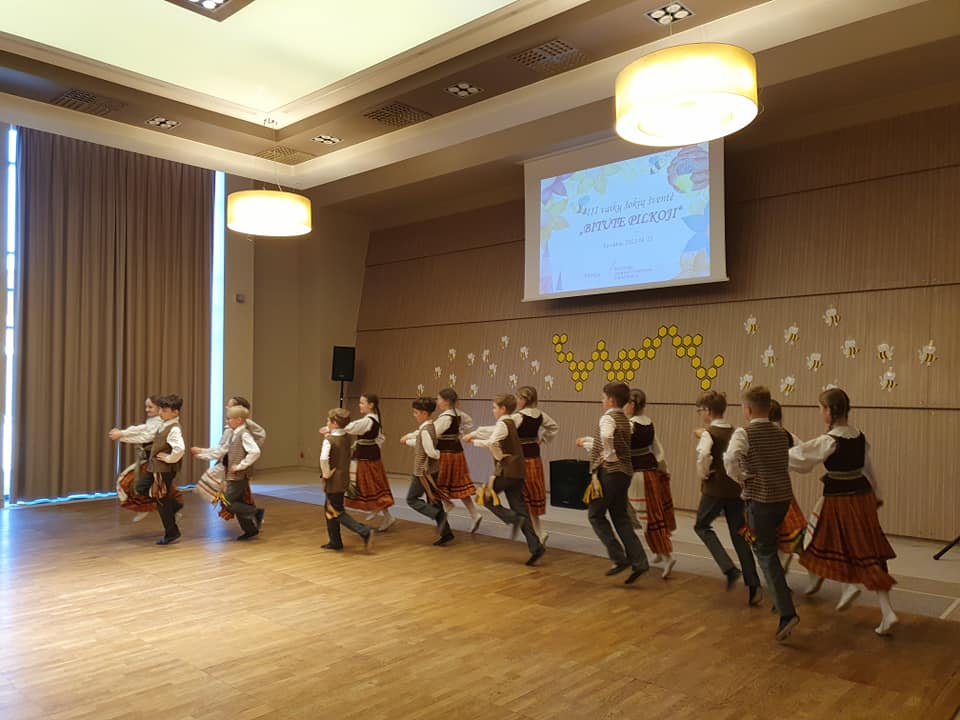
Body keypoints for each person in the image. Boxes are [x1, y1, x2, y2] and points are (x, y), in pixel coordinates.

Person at [789, 388, 898, 635]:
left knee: (825, 542)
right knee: (868, 551)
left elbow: (799, 457)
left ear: (829, 411)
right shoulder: (859, 437)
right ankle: (886, 609)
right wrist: (877, 495)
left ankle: (848, 586)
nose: (820, 413)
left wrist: (771, 455)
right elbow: (868, 469)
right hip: (862, 498)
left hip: (839, 501)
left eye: (821, 409)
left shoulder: (829, 441)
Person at [724, 386, 799, 642]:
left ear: (747, 409)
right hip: (783, 499)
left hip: (761, 499)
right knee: (770, 549)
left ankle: (787, 612)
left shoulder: (743, 433)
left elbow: (730, 459)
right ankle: (780, 596)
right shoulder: (781, 432)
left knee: (765, 552)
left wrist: (741, 477)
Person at [575, 382, 649, 585]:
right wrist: (593, 444)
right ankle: (640, 561)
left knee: (595, 514)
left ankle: (619, 557)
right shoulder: (625, 419)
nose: (601, 401)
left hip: (611, 472)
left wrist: (610, 456)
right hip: (625, 473)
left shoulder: (607, 418)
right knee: (620, 517)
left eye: (603, 397)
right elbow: (611, 441)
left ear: (611, 400)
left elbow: (607, 437)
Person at [692, 390, 762, 604]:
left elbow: (704, 455)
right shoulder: (736, 432)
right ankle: (753, 585)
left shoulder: (709, 434)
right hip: (735, 489)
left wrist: (703, 474)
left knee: (701, 525)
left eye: (701, 410)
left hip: (715, 489)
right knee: (739, 533)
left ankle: (729, 568)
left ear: (708, 411)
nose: (701, 414)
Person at [465, 394, 545, 566]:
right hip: (518, 471)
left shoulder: (504, 423)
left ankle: (512, 518)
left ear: (503, 409)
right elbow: (492, 431)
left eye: (494, 408)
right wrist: (475, 434)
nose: (493, 411)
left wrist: (479, 443)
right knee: (520, 508)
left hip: (507, 470)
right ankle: (536, 546)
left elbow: (493, 442)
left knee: (484, 496)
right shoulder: (509, 422)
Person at [321, 393, 396, 530]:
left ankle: (381, 514)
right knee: (372, 486)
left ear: (371, 405)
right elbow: (380, 438)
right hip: (369, 457)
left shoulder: (368, 421)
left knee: (369, 486)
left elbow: (349, 427)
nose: (359, 405)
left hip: (366, 459)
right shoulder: (373, 420)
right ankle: (382, 512)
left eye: (362, 403)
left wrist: (330, 428)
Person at [192, 405, 265, 539]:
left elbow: (255, 452)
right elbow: (221, 451)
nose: (226, 421)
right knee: (238, 501)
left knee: (227, 501)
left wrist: (241, 466)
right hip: (232, 475)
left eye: (229, 419)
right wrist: (201, 453)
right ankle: (250, 529)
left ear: (239, 420)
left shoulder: (244, 434)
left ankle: (255, 512)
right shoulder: (232, 433)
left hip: (239, 476)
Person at [625, 388, 676, 579]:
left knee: (646, 518)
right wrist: (663, 468)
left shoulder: (630, 425)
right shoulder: (648, 422)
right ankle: (658, 551)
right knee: (652, 513)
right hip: (651, 471)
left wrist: (589, 443)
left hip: (638, 475)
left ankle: (666, 555)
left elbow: (617, 448)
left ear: (632, 405)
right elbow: (657, 449)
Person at [109, 395, 173, 522]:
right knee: (142, 486)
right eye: (146, 407)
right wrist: (122, 433)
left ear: (159, 408)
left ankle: (152, 508)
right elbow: (142, 428)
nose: (147, 409)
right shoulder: (153, 421)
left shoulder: (161, 423)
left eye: (150, 407)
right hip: (152, 461)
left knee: (132, 483)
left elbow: (147, 437)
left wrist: (122, 436)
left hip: (159, 462)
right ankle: (162, 510)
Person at [133, 394, 185, 545]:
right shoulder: (164, 424)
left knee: (161, 500)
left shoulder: (174, 429)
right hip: (155, 468)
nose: (161, 413)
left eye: (165, 410)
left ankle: (172, 532)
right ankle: (174, 505)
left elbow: (180, 449)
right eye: (160, 409)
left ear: (175, 412)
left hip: (164, 470)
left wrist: (169, 458)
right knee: (141, 488)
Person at [320, 408, 374, 551]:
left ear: (334, 423)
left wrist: (326, 473)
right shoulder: (346, 437)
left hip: (333, 479)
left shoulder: (329, 441)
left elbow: (324, 459)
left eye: (328, 420)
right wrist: (328, 430)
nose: (326, 422)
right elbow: (339, 432)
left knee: (335, 510)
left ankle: (363, 531)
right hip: (344, 477)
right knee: (329, 509)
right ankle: (335, 541)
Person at [401, 397, 453, 545]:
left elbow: (430, 451)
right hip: (429, 470)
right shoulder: (429, 427)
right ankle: (446, 533)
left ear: (424, 413)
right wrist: (408, 442)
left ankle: (437, 514)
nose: (414, 415)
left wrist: (440, 455)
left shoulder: (425, 430)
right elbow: (422, 445)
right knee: (434, 500)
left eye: (416, 412)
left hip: (422, 472)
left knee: (411, 499)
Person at [512, 386, 559, 544]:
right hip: (534, 458)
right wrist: (542, 439)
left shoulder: (517, 417)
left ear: (524, 400)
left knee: (521, 495)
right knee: (531, 494)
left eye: (518, 398)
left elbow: (503, 432)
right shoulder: (540, 415)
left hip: (520, 460)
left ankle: (534, 531)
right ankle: (538, 531)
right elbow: (554, 427)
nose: (516, 401)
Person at [434, 388, 481, 532]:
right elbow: (468, 423)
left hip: (446, 454)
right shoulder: (459, 414)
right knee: (460, 484)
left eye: (439, 399)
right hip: (457, 453)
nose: (437, 402)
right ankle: (474, 514)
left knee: (437, 482)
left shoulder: (445, 417)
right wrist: (459, 433)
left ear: (446, 401)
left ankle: (446, 507)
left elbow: (433, 433)